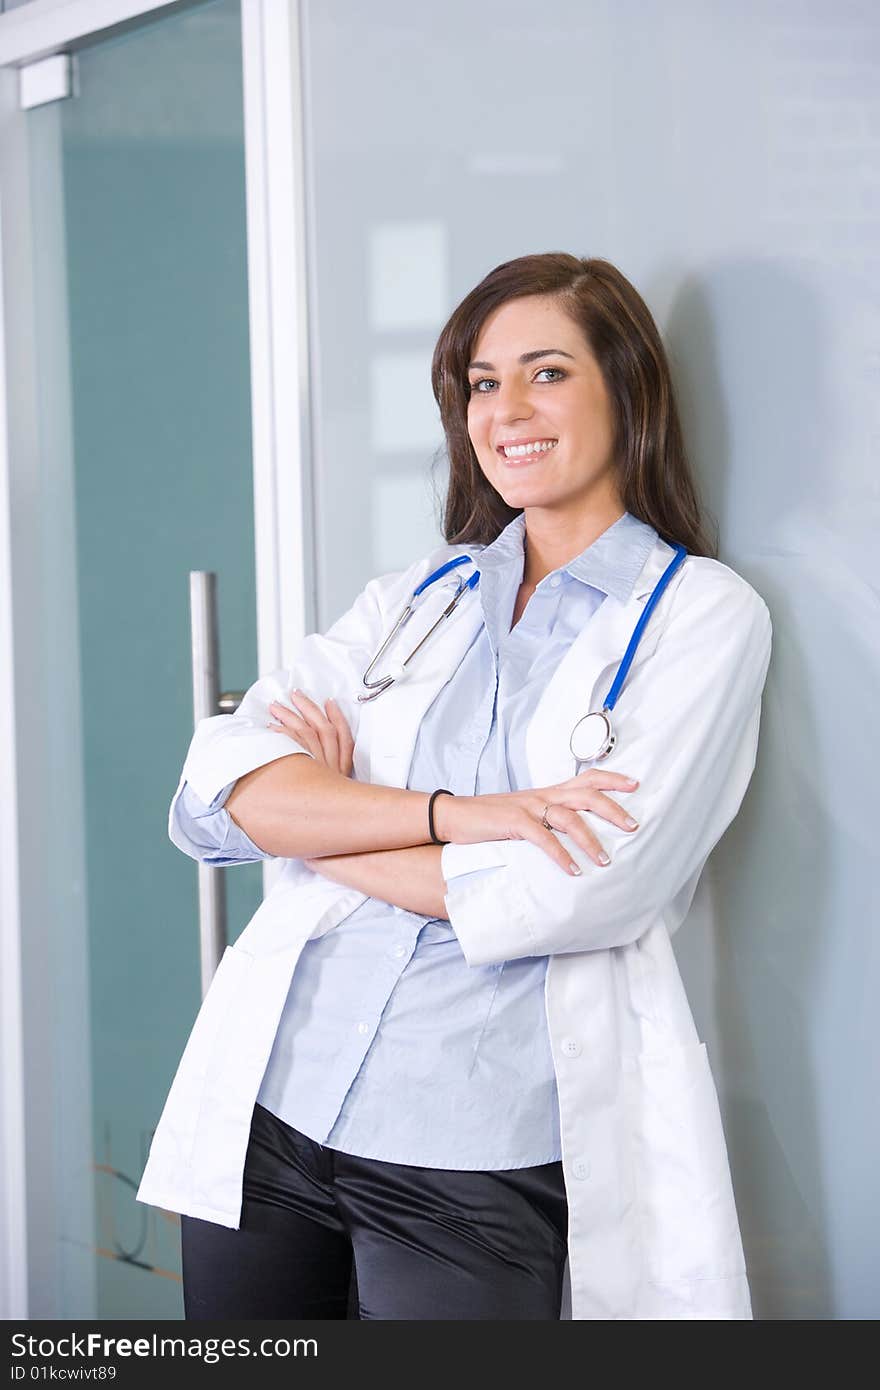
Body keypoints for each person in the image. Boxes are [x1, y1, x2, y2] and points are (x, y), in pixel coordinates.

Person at [136, 252, 772, 1320]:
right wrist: (454, 821)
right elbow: (214, 795)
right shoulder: (412, 597)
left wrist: (323, 824)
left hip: (470, 1146)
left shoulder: (701, 616)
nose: (506, 410)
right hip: (271, 1104)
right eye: (482, 382)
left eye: (546, 373)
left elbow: (575, 888)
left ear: (627, 387)